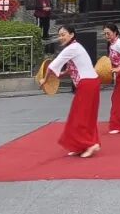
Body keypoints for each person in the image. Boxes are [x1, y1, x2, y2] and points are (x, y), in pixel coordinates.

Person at [39, 24, 100, 157]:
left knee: (80, 117)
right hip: (92, 82)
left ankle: (90, 144)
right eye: (59, 35)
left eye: (63, 34)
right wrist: (61, 74)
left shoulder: (71, 48)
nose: (61, 37)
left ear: (72, 34)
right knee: (85, 116)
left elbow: (52, 65)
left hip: (87, 84)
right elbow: (71, 68)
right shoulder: (76, 46)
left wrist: (44, 79)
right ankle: (81, 145)